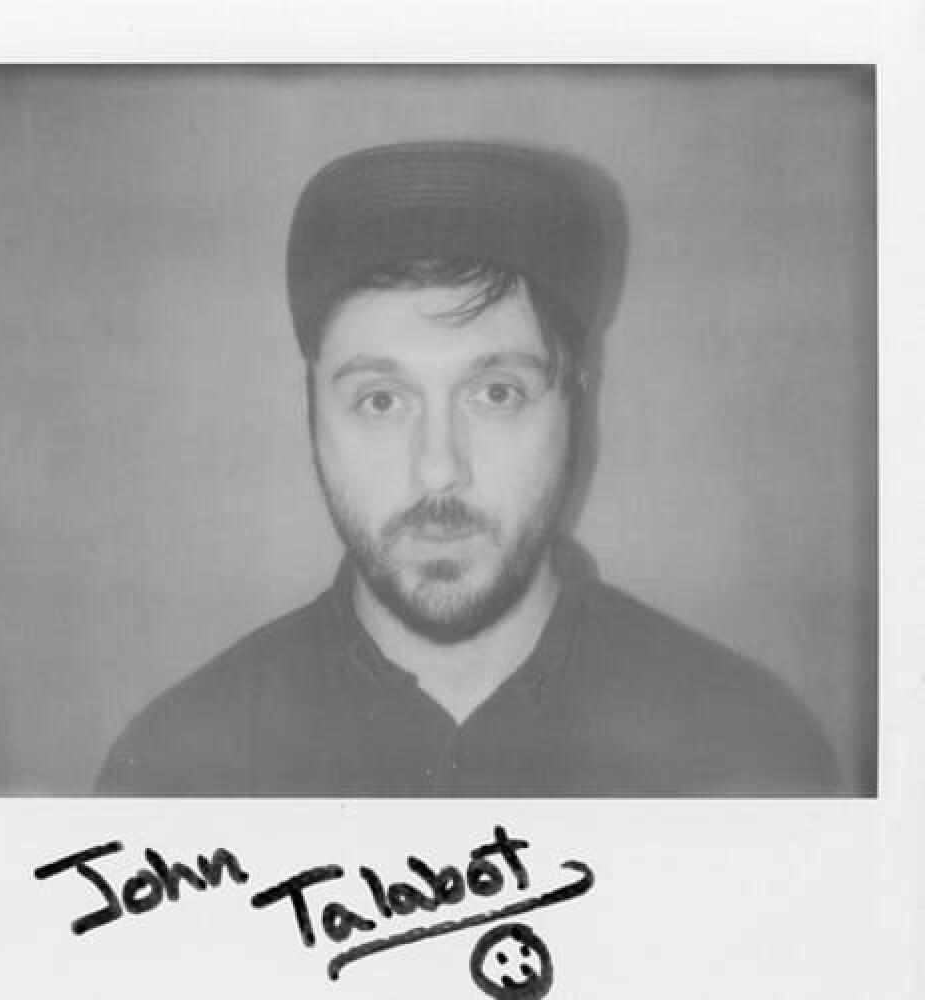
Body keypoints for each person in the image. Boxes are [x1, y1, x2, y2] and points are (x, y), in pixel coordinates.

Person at [97, 140, 839, 796]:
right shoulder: (177, 771)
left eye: (496, 393)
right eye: (381, 400)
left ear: (576, 404)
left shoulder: (747, 756)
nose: (437, 470)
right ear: (311, 412)